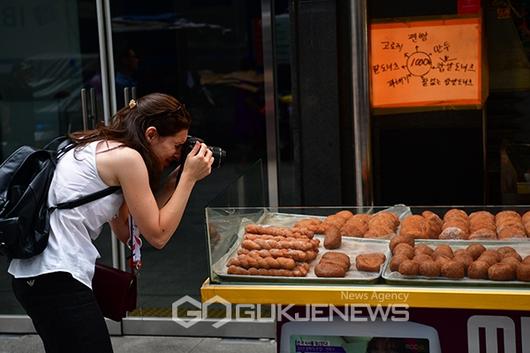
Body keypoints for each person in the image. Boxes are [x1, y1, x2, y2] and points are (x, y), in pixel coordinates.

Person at [8, 93, 214, 353]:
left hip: (38, 278)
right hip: (56, 279)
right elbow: (158, 235)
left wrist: (174, 182)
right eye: (176, 145)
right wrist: (189, 180)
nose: (177, 154)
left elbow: (127, 230)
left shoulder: (97, 144)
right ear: (151, 134)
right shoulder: (128, 159)